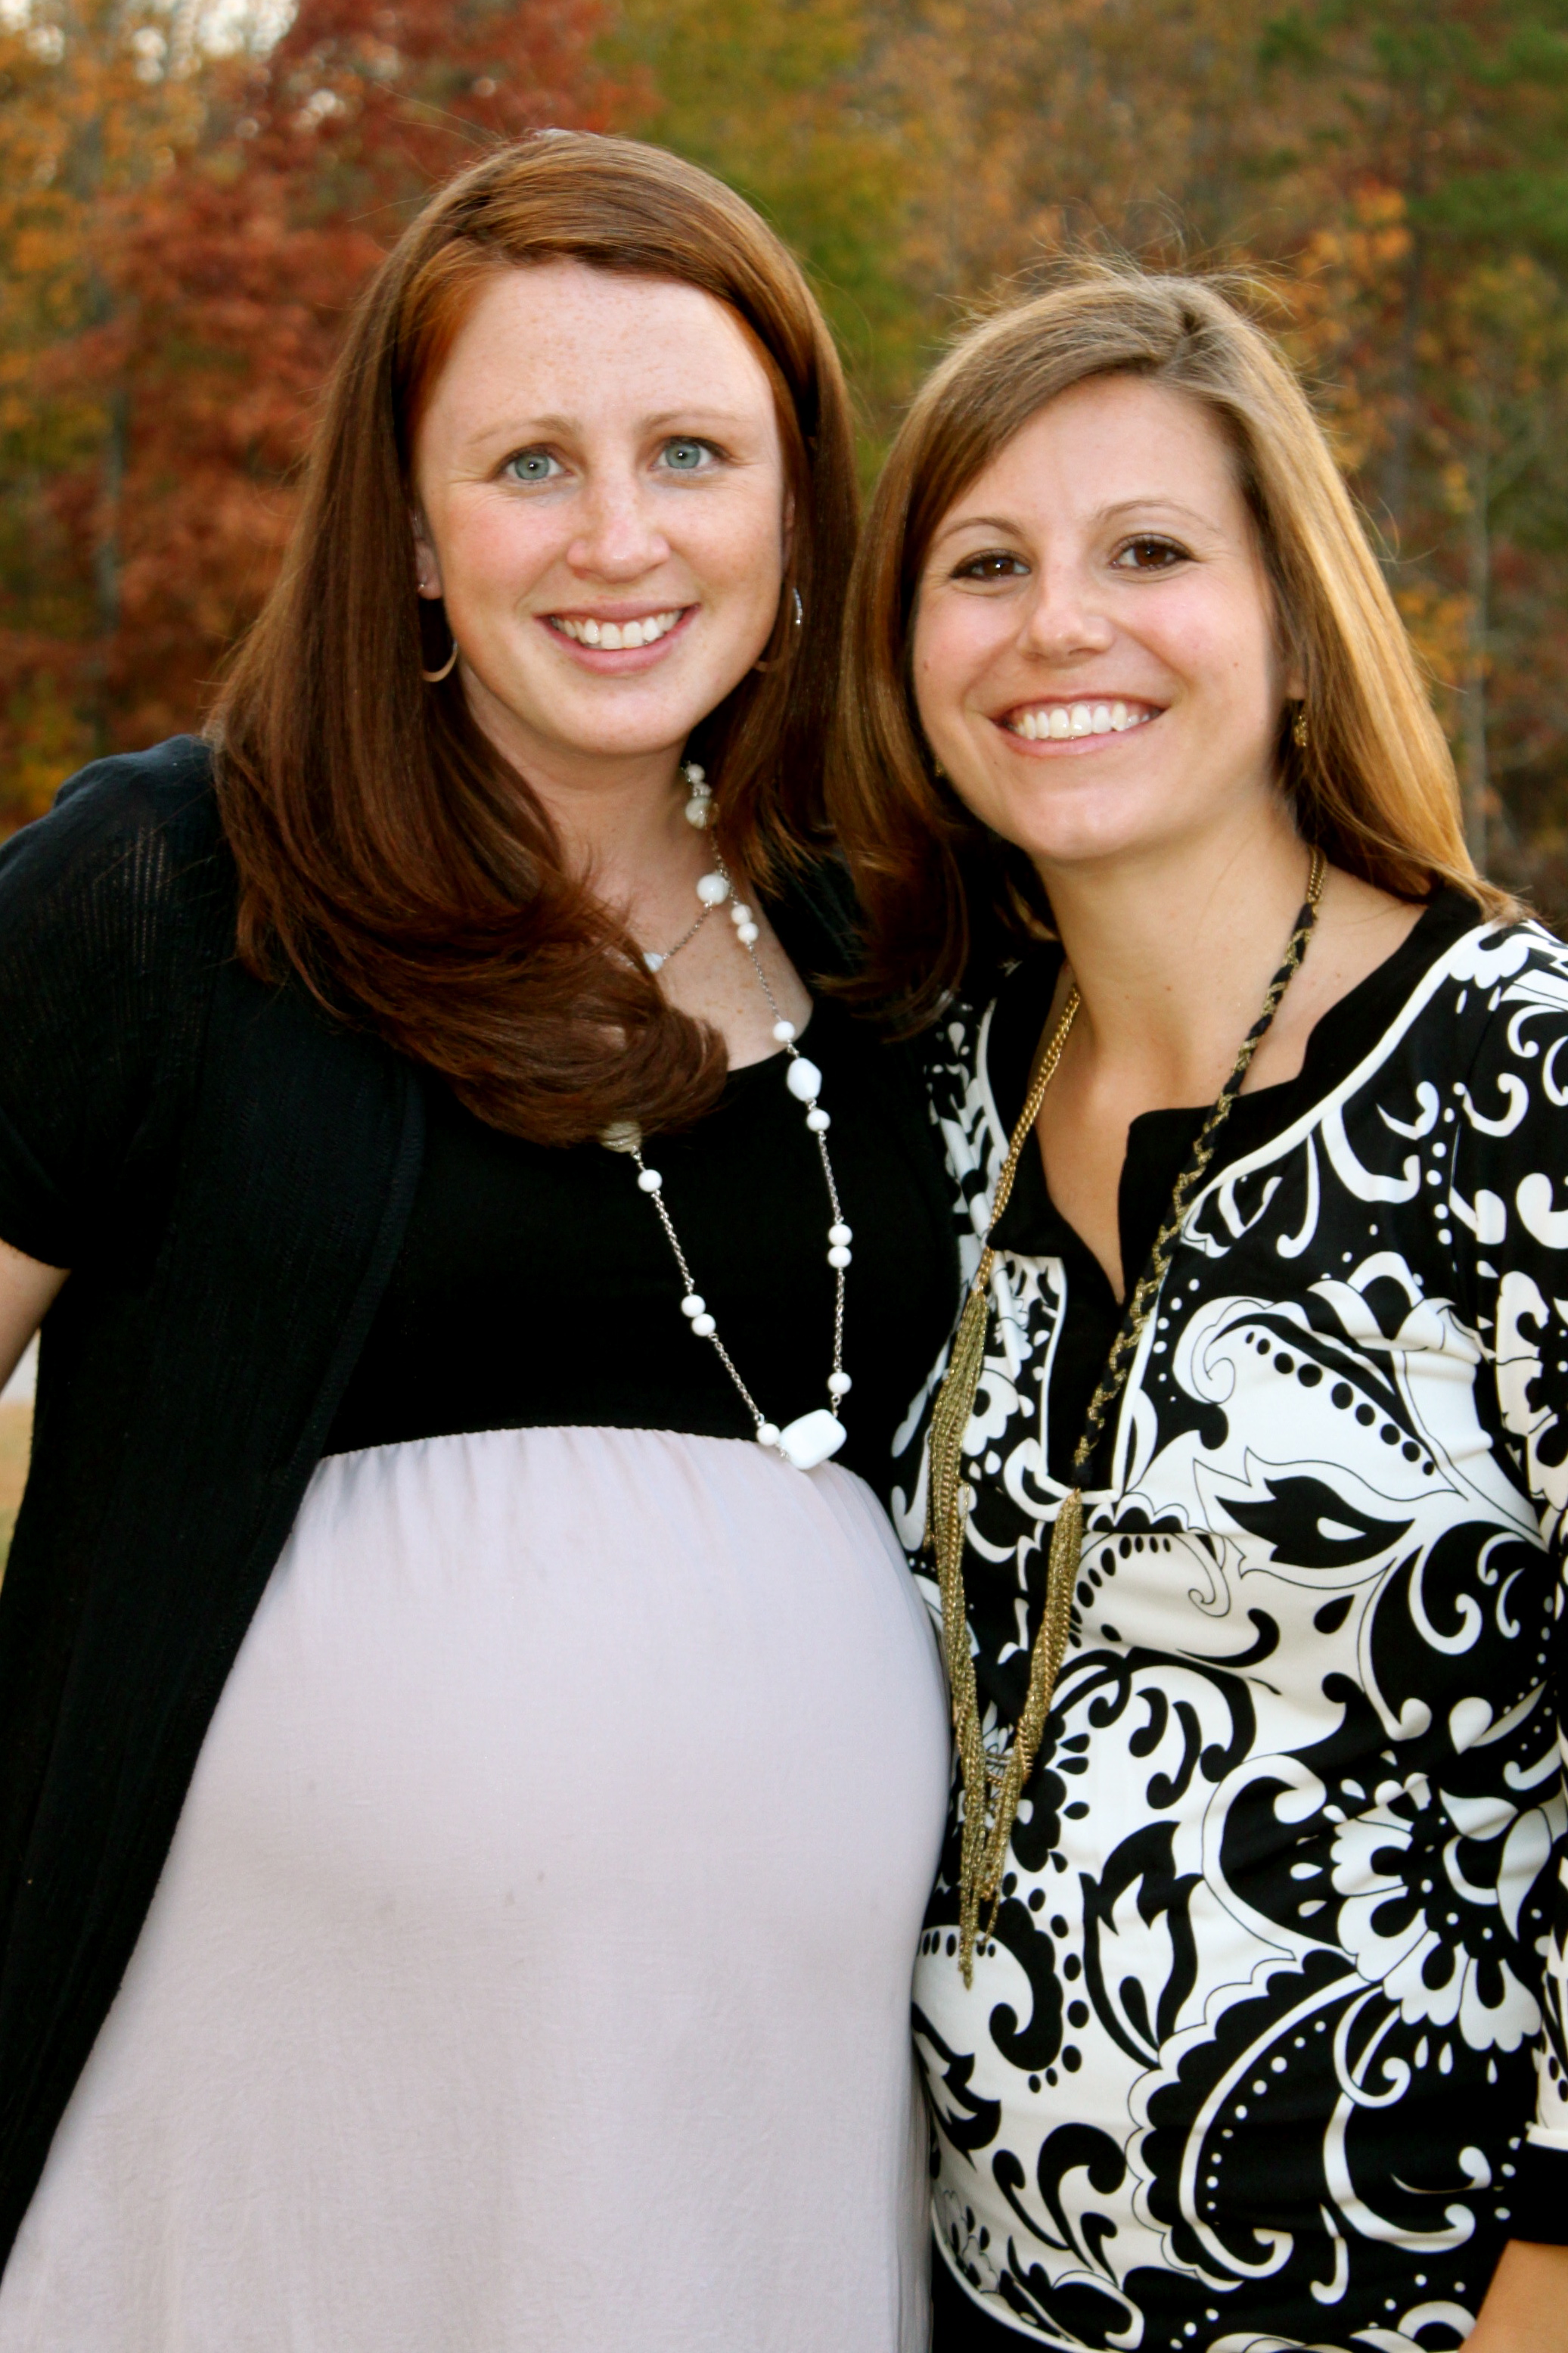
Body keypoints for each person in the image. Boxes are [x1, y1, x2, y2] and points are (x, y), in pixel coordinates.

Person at [0, 134, 958, 2350]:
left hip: (750, 2175)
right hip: (249, 2181)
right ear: (415, 535)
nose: (618, 537)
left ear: (797, 510)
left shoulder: (896, 944)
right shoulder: (174, 889)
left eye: (691, 453)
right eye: (531, 462)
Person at [830, 263, 1568, 2351]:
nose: (1059, 624)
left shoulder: (1521, 1080)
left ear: (1293, 625)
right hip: (973, 2305)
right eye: (986, 565)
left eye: (1148, 552)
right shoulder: (926, 1093)